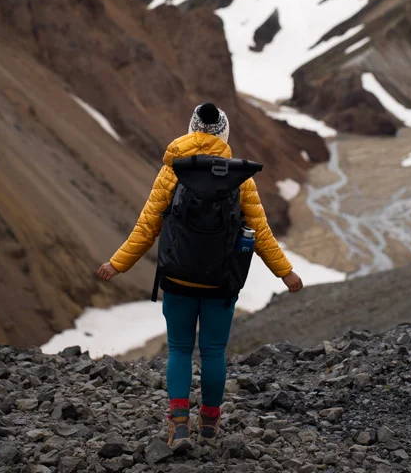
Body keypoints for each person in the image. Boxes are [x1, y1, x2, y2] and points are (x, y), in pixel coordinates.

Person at [98, 102, 304, 450]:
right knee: (213, 353)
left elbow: (147, 227)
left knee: (179, 349)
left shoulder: (172, 171)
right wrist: (286, 273)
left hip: (177, 278)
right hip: (220, 282)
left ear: (191, 129)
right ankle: (209, 423)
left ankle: (178, 424)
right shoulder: (239, 178)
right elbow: (260, 234)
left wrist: (117, 264)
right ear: (224, 133)